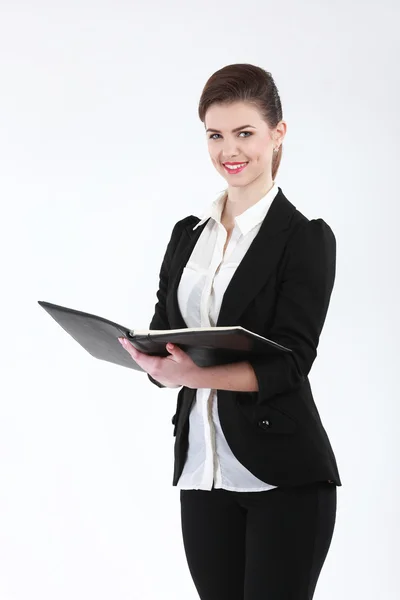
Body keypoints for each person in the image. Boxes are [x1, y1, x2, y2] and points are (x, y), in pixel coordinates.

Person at [119, 63, 342, 600]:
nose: (229, 150)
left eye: (245, 132)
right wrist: (150, 360)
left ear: (277, 133)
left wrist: (195, 372)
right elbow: (164, 333)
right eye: (215, 135)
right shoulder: (185, 236)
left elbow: (291, 362)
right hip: (202, 473)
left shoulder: (305, 238)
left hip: (283, 477)